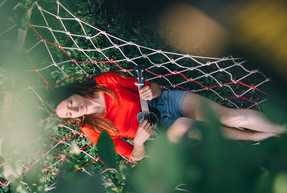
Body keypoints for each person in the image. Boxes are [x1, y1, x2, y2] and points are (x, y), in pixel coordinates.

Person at [47, 72, 286, 161]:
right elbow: (133, 156)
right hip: (162, 131)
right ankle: (252, 136)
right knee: (183, 125)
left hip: (165, 100)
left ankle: (280, 127)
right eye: (68, 114)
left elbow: (150, 86)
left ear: (73, 94)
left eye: (69, 103)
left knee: (227, 116)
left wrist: (153, 89)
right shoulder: (92, 130)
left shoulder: (105, 82)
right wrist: (139, 141)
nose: (74, 110)